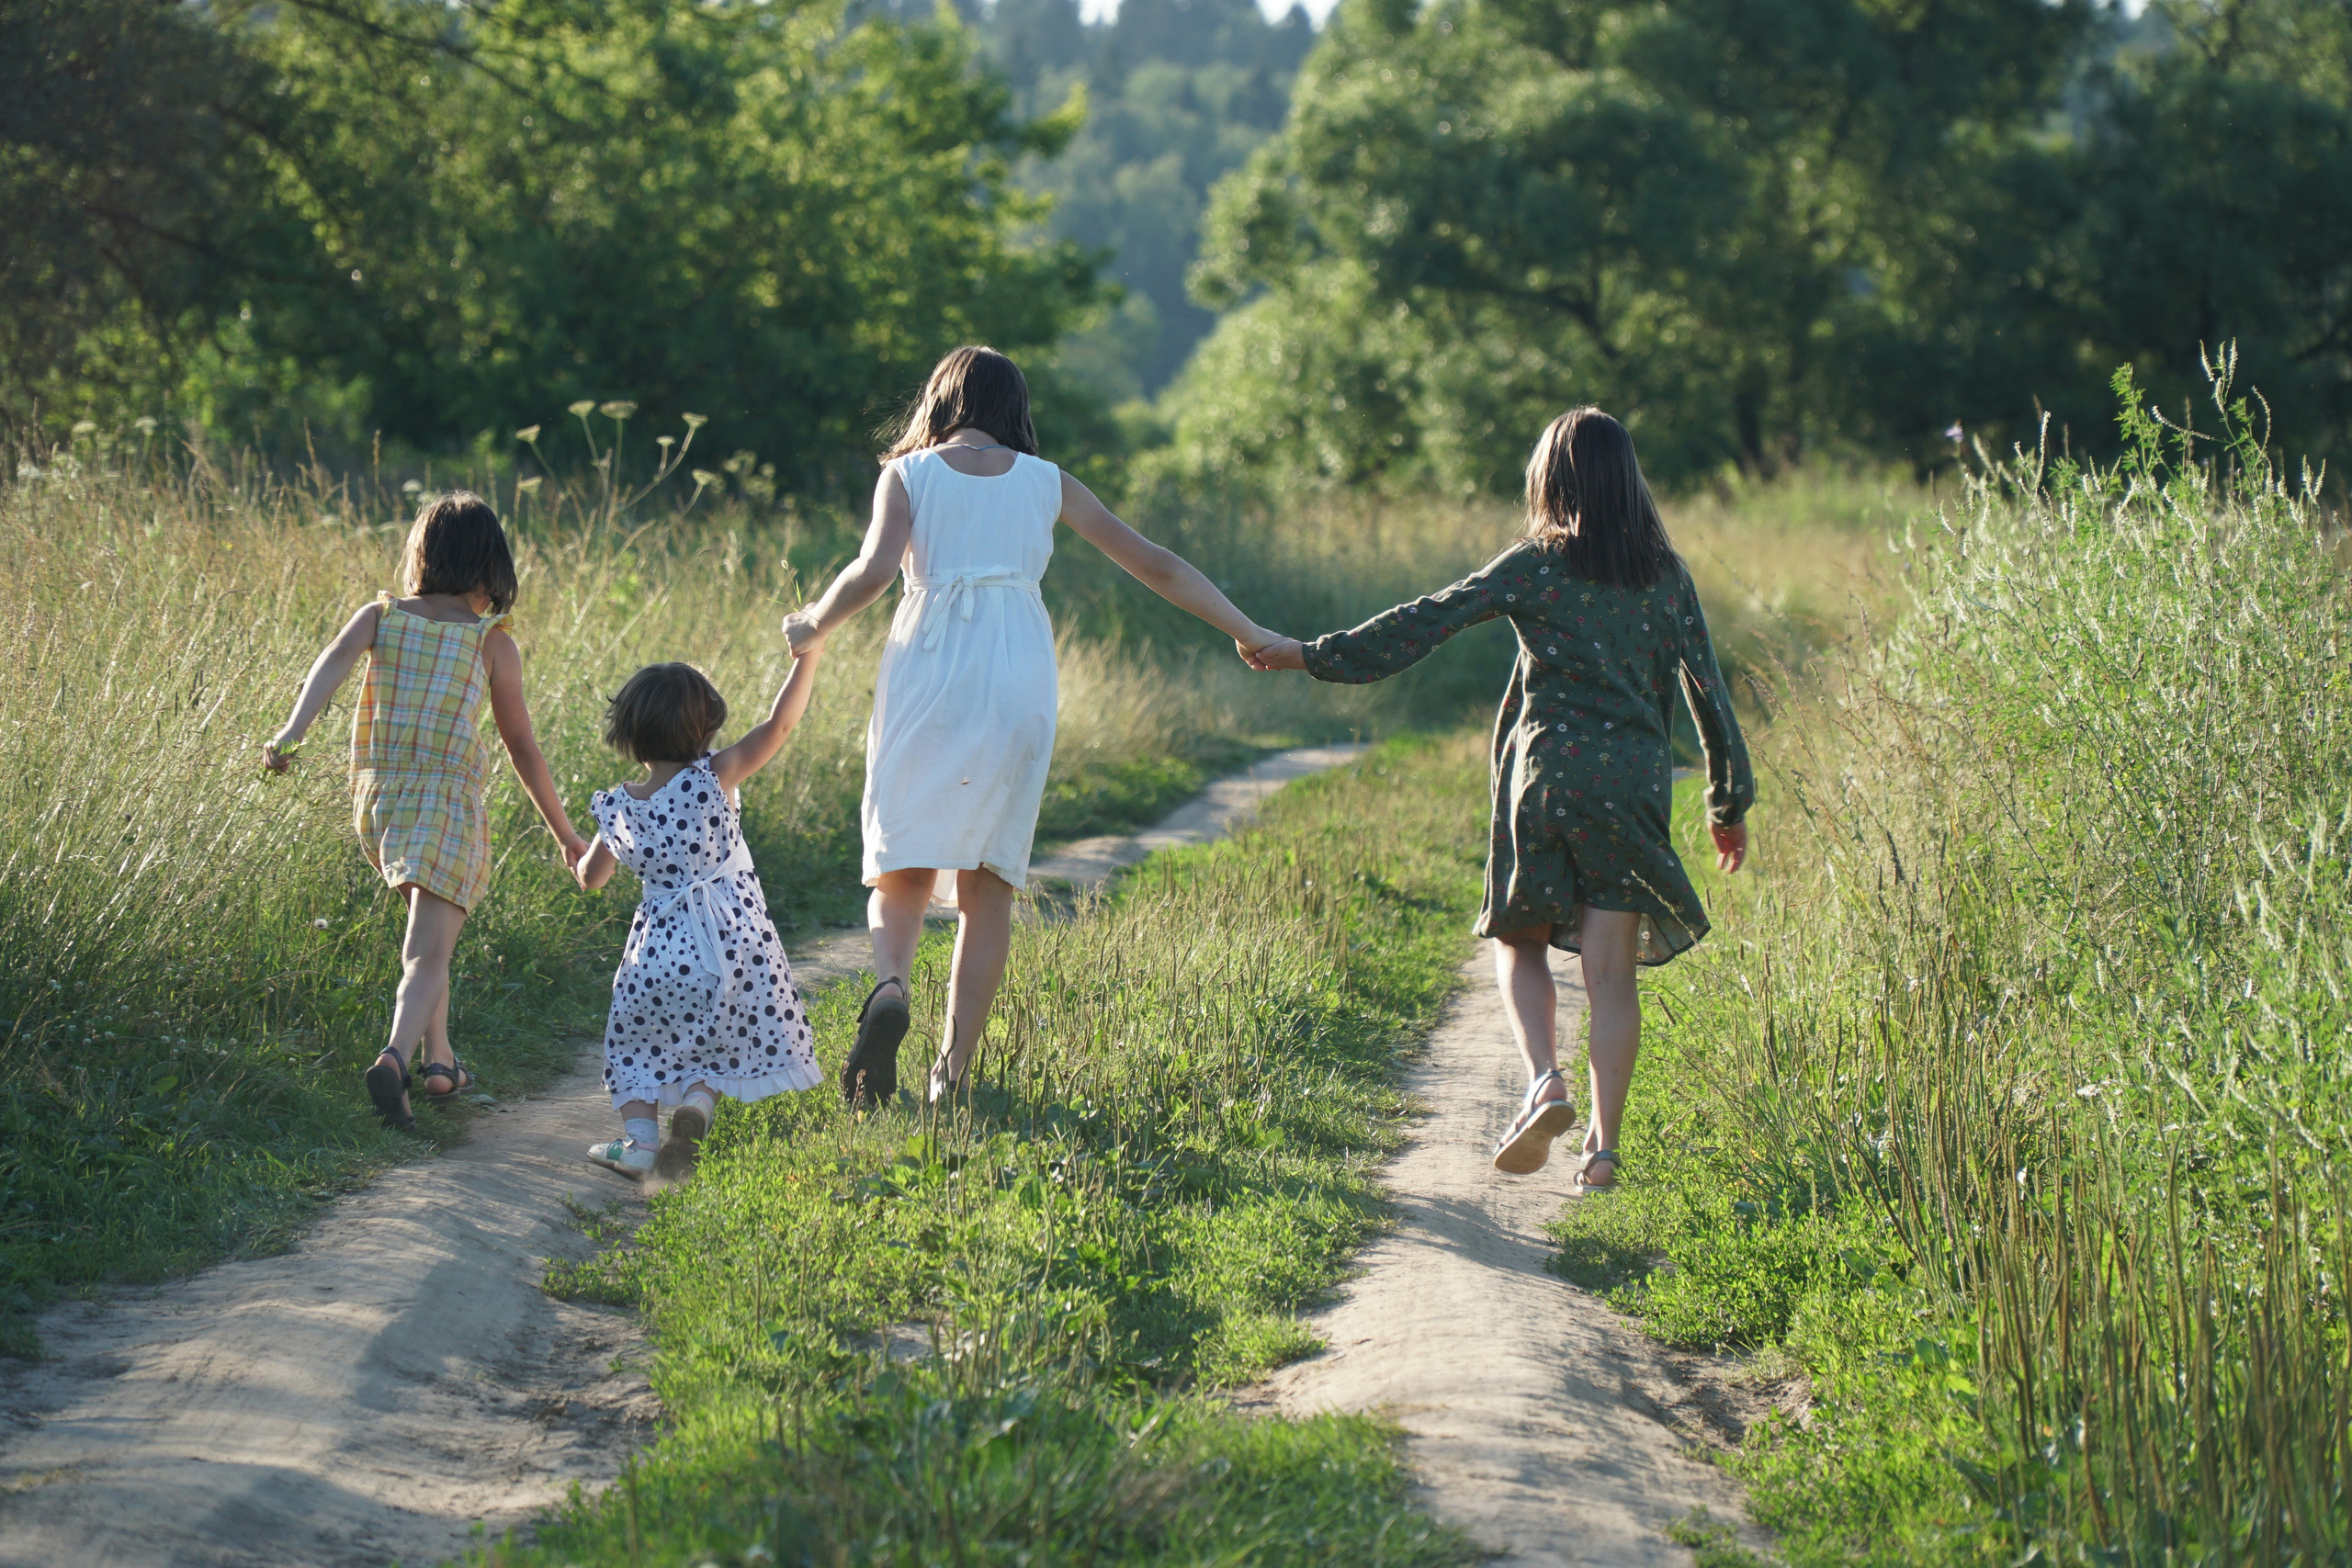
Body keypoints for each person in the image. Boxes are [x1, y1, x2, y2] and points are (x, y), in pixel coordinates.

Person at [1246, 409, 1753, 1189]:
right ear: (1629, 482)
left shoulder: (1535, 565)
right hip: (1633, 786)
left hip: (1546, 777)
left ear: (1550, 481)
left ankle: (1544, 1079)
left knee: (1519, 939)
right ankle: (1602, 1149)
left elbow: (1427, 619)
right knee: (1611, 974)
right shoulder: (1666, 576)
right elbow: (1708, 693)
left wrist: (1312, 655)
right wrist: (1727, 802)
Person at [784, 344, 1283, 1107]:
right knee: (989, 884)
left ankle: (889, 986)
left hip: (929, 669)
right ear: (1014, 408)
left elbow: (874, 571)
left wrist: (813, 623)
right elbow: (1156, 563)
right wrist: (1247, 630)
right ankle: (950, 1075)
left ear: (939, 402)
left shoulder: (907, 474)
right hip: (1017, 673)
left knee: (902, 859)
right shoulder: (1047, 482)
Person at [263, 491, 585, 1129]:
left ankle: (441, 1061)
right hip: (445, 802)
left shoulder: (381, 615)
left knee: (429, 932)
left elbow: (331, 663)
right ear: (491, 567)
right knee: (427, 955)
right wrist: (565, 833)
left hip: (380, 800)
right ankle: (395, 1058)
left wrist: (291, 733)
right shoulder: (492, 644)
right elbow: (521, 745)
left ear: (423, 555)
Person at [571, 656, 827, 1181]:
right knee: (716, 1034)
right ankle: (699, 1104)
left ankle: (640, 1143)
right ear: (705, 729)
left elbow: (591, 878)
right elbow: (779, 725)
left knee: (635, 1043)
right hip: (725, 944)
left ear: (629, 734)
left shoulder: (619, 807)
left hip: (654, 955)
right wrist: (807, 656)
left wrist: (574, 855)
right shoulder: (715, 777)